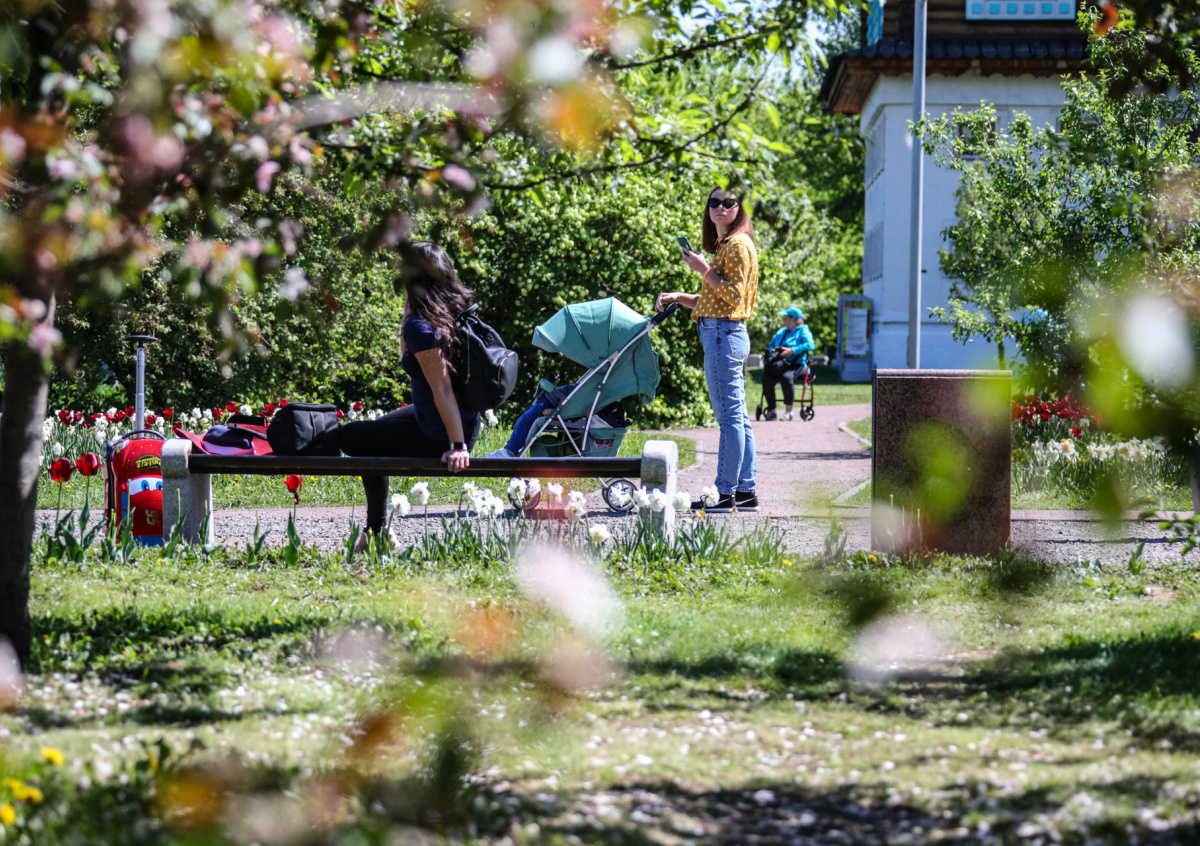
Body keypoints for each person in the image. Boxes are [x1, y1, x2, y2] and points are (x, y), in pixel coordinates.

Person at [331, 242, 478, 548]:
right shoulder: (458, 311)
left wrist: (457, 445)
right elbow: (408, 358)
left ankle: (376, 532)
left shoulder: (422, 327)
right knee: (375, 431)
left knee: (352, 437)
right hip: (462, 420)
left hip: (442, 434)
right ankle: (377, 531)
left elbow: (442, 388)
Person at [655, 187, 759, 513]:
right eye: (714, 202)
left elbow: (732, 296)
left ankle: (724, 493)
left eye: (728, 202)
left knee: (729, 419)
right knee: (738, 417)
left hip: (723, 336)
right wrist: (679, 296)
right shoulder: (729, 245)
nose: (720, 207)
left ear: (740, 208)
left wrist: (703, 269)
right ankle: (745, 490)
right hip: (725, 332)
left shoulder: (737, 245)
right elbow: (714, 299)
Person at [762, 306, 815, 421]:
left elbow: (810, 345)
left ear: (793, 319)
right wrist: (773, 351)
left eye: (785, 317)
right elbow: (770, 346)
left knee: (787, 377)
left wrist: (792, 350)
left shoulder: (803, 331)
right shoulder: (782, 332)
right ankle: (772, 411)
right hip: (780, 364)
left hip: (798, 365)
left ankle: (789, 412)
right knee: (767, 378)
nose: (783, 320)